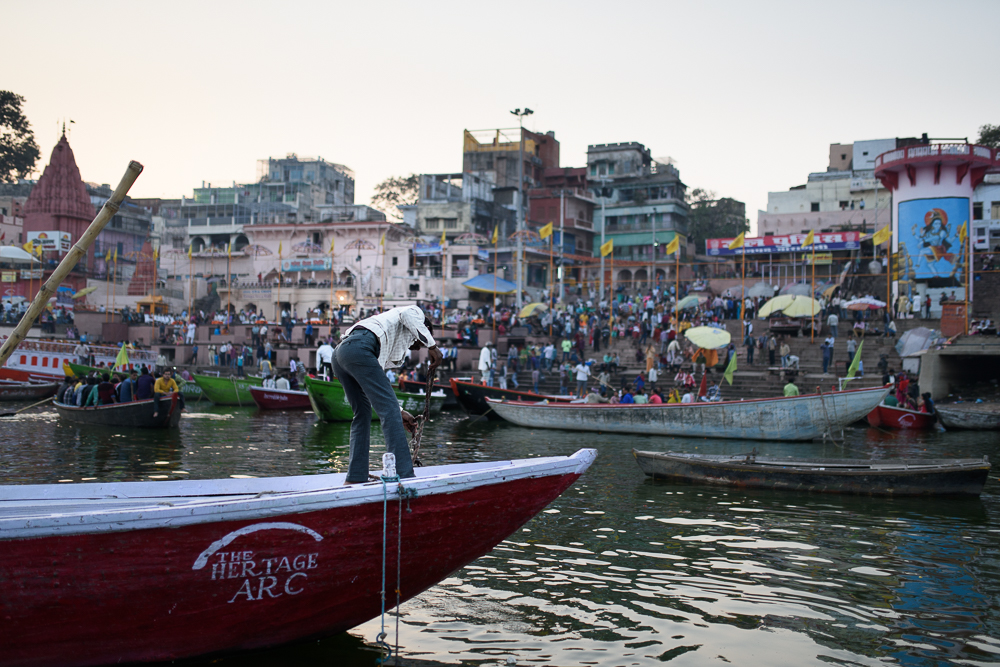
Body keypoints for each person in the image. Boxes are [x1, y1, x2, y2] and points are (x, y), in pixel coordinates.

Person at [333, 306, 441, 483]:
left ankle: (355, 477)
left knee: (363, 414)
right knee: (387, 411)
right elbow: (408, 316)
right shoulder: (414, 312)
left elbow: (378, 389)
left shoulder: (385, 335)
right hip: (358, 349)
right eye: (420, 343)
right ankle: (404, 475)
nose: (416, 348)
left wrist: (399, 411)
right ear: (423, 330)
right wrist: (433, 346)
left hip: (340, 354)